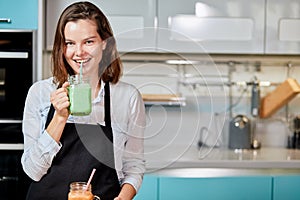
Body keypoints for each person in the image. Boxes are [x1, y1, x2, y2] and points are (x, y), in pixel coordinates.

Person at [21, 1, 146, 200]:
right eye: (70, 43)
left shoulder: (127, 98)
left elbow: (133, 165)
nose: (79, 52)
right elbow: (32, 171)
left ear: (105, 43)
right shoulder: (40, 93)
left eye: (89, 42)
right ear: (62, 47)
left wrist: (122, 198)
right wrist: (60, 118)